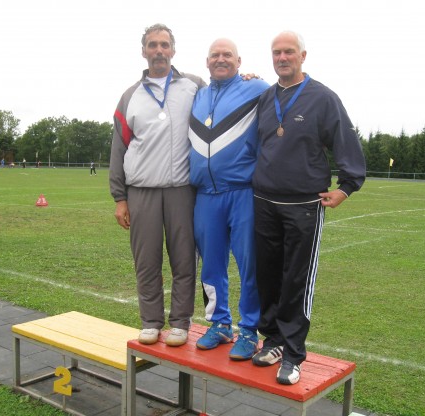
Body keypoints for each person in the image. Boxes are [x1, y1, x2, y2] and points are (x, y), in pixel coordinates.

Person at [251, 31, 366, 385]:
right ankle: (272, 341)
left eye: (289, 52)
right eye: (276, 53)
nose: (282, 58)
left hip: (303, 205)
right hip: (264, 202)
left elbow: (345, 140)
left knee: (296, 280)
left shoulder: (323, 98)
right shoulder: (265, 97)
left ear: (303, 56)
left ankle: (293, 353)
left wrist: (346, 187)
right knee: (267, 277)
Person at [109, 23, 206, 347]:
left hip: (182, 190)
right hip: (142, 191)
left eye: (164, 45)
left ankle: (180, 323)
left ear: (173, 50)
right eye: (153, 45)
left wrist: (245, 79)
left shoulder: (195, 86)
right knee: (146, 262)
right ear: (144, 52)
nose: (159, 51)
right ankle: (150, 321)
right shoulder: (129, 96)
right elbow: (118, 149)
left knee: (184, 261)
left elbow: (222, 100)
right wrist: (120, 198)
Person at [188, 38, 269, 360]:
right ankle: (220, 324)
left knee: (250, 265)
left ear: (239, 61)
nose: (221, 59)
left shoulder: (256, 88)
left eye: (227, 55)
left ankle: (249, 330)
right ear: (207, 62)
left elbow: (285, 98)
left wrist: (256, 77)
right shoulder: (197, 95)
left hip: (242, 193)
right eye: (215, 55)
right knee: (211, 265)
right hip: (205, 196)